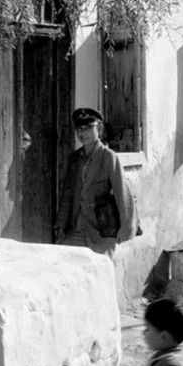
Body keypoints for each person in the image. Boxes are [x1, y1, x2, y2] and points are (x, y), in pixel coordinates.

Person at [54, 107, 137, 256]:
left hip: (101, 230)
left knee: (100, 273)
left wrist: (126, 227)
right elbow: (67, 194)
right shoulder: (74, 159)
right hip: (76, 228)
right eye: (79, 129)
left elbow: (121, 192)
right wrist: (61, 224)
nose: (82, 133)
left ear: (99, 128)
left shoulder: (109, 157)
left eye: (88, 128)